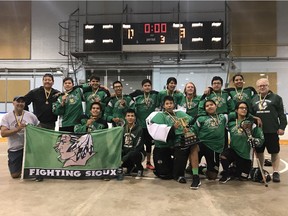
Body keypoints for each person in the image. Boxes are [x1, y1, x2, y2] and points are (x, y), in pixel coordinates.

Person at [251, 78, 287, 182]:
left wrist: (282, 127)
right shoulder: (254, 99)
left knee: (274, 152)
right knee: (260, 152)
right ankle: (261, 170)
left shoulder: (276, 98)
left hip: (272, 131)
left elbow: (281, 114)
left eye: (264, 85)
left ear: (268, 85)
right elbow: (251, 114)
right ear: (257, 87)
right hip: (258, 132)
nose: (262, 87)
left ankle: (276, 172)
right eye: (260, 86)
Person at [219, 101, 264, 183]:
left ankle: (236, 170)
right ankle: (227, 173)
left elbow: (261, 139)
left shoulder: (252, 124)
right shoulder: (231, 123)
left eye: (246, 108)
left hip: (246, 155)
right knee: (223, 156)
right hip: (234, 151)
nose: (244, 110)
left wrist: (255, 140)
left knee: (242, 178)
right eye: (241, 108)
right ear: (236, 110)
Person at [0, 96, 39, 178]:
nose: (20, 104)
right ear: (13, 103)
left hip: (29, 148)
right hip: (15, 148)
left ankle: (27, 166)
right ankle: (19, 166)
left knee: (32, 173)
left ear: (24, 104)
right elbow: (3, 133)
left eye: (22, 102)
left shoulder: (31, 116)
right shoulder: (6, 117)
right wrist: (18, 129)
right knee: (15, 175)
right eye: (18, 101)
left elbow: (38, 129)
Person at [193, 100, 228, 181]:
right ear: (205, 109)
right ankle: (193, 167)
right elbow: (193, 130)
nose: (209, 107)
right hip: (202, 144)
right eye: (207, 106)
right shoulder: (201, 119)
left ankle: (202, 169)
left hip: (215, 147)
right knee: (193, 149)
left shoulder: (223, 117)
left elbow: (239, 114)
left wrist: (254, 117)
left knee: (212, 176)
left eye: (211, 104)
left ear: (216, 106)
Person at [130, 79, 158, 170]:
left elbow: (164, 94)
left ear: (151, 87)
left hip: (150, 126)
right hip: (140, 126)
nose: (147, 87)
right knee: (139, 145)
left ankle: (149, 163)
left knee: (149, 145)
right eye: (145, 86)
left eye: (149, 85)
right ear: (142, 87)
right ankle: (138, 163)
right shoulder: (138, 98)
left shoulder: (155, 96)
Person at [121, 109, 145, 179]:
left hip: (138, 153)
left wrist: (123, 159)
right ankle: (130, 168)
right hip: (127, 152)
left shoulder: (139, 129)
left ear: (135, 118)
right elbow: (121, 143)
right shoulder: (123, 129)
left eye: (132, 116)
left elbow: (137, 146)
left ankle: (140, 169)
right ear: (125, 117)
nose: (130, 117)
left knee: (134, 153)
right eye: (128, 116)